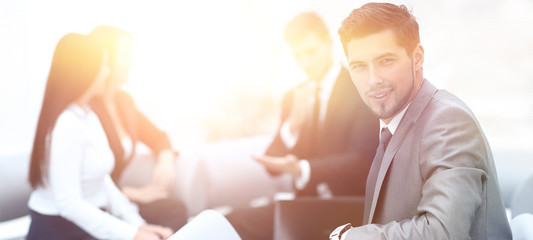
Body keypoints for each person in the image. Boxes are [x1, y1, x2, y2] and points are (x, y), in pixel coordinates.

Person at [329, 3, 512, 239]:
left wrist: (350, 237)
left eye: (385, 61)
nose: (372, 80)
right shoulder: (394, 124)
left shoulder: (448, 122)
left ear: (417, 57)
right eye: (359, 66)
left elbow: (444, 232)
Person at [227, 12, 379, 240]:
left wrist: (303, 169)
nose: (306, 63)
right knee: (231, 222)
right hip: (305, 206)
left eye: (311, 52)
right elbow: (272, 163)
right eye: (298, 56)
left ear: (328, 43)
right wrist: (292, 127)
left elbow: (362, 159)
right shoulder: (294, 97)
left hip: (350, 207)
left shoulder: (360, 88)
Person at [26, 33, 172, 240]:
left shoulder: (88, 116)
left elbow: (103, 181)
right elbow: (70, 205)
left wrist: (140, 226)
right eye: (103, 65)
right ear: (87, 71)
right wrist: (132, 234)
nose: (107, 71)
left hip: (86, 224)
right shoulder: (66, 124)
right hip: (58, 230)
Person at [89, 25, 187, 231]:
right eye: (126, 56)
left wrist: (165, 161)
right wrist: (136, 194)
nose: (132, 62)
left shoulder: (123, 102)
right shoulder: (87, 110)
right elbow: (88, 179)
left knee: (175, 210)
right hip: (98, 205)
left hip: (121, 201)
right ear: (105, 59)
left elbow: (158, 137)